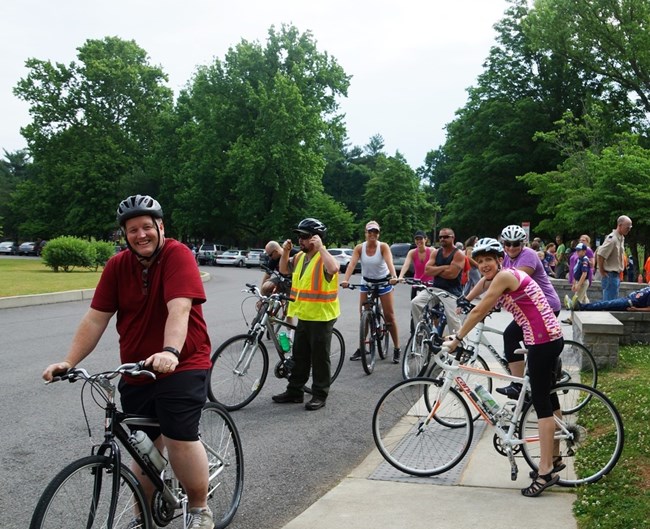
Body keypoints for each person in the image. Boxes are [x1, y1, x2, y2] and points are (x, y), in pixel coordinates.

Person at [42, 194, 215, 528]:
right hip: (137, 370)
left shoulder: (178, 255)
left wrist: (170, 352)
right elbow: (95, 319)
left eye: (147, 227)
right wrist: (68, 361)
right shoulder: (117, 266)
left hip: (183, 363)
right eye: (132, 229)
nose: (141, 235)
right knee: (143, 451)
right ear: (125, 234)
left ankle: (199, 508)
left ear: (160, 227)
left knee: (178, 436)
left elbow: (178, 308)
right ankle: (145, 516)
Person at [448, 237, 564, 497]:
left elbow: (479, 312)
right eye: (480, 262)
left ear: (500, 260)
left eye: (489, 260)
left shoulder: (504, 277)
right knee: (548, 397)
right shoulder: (501, 278)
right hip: (546, 337)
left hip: (542, 340)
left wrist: (457, 338)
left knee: (542, 405)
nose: (484, 265)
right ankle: (554, 457)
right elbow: (485, 302)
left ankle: (545, 472)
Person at [473, 225, 561, 399]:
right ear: (503, 244)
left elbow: (506, 283)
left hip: (546, 307)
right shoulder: (503, 258)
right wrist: (466, 298)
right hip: (530, 310)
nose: (511, 247)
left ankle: (520, 382)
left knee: (513, 337)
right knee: (513, 338)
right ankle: (528, 378)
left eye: (516, 244)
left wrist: (491, 303)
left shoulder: (529, 255)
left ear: (523, 243)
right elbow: (487, 280)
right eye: (507, 244)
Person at [272, 218, 340, 411]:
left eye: (305, 236)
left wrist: (322, 248)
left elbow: (334, 269)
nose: (300, 240)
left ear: (316, 238)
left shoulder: (322, 257)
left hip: (322, 316)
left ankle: (320, 394)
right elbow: (284, 269)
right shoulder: (301, 257)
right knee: (300, 355)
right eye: (299, 236)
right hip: (305, 313)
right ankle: (295, 391)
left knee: (319, 358)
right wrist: (285, 251)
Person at [341, 220, 401, 364]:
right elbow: (352, 264)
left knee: (389, 316)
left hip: (383, 281)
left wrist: (393, 276)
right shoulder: (359, 248)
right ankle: (363, 347)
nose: (372, 234)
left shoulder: (383, 247)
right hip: (367, 282)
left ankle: (397, 348)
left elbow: (389, 263)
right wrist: (346, 279)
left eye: (375, 232)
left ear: (378, 233)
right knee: (364, 314)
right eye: (370, 232)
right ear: (366, 233)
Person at [410, 227, 465, 336]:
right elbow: (427, 270)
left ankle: (459, 345)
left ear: (453, 238)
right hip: (435, 289)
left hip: (452, 292)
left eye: (446, 237)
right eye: (440, 237)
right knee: (416, 303)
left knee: (453, 320)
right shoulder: (436, 252)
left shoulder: (458, 254)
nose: (442, 239)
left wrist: (435, 269)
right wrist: (445, 267)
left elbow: (452, 274)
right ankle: (421, 332)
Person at [596, 215, 632, 300]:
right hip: (610, 274)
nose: (629, 229)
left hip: (616, 275)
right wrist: (601, 270)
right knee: (609, 303)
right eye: (627, 227)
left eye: (630, 227)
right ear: (620, 225)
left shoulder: (621, 238)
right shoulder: (612, 239)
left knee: (613, 301)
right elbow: (600, 254)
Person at [567, 285, 650, 312]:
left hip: (629, 304)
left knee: (604, 304)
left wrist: (636, 309)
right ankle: (579, 306)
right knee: (604, 303)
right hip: (626, 299)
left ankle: (580, 306)